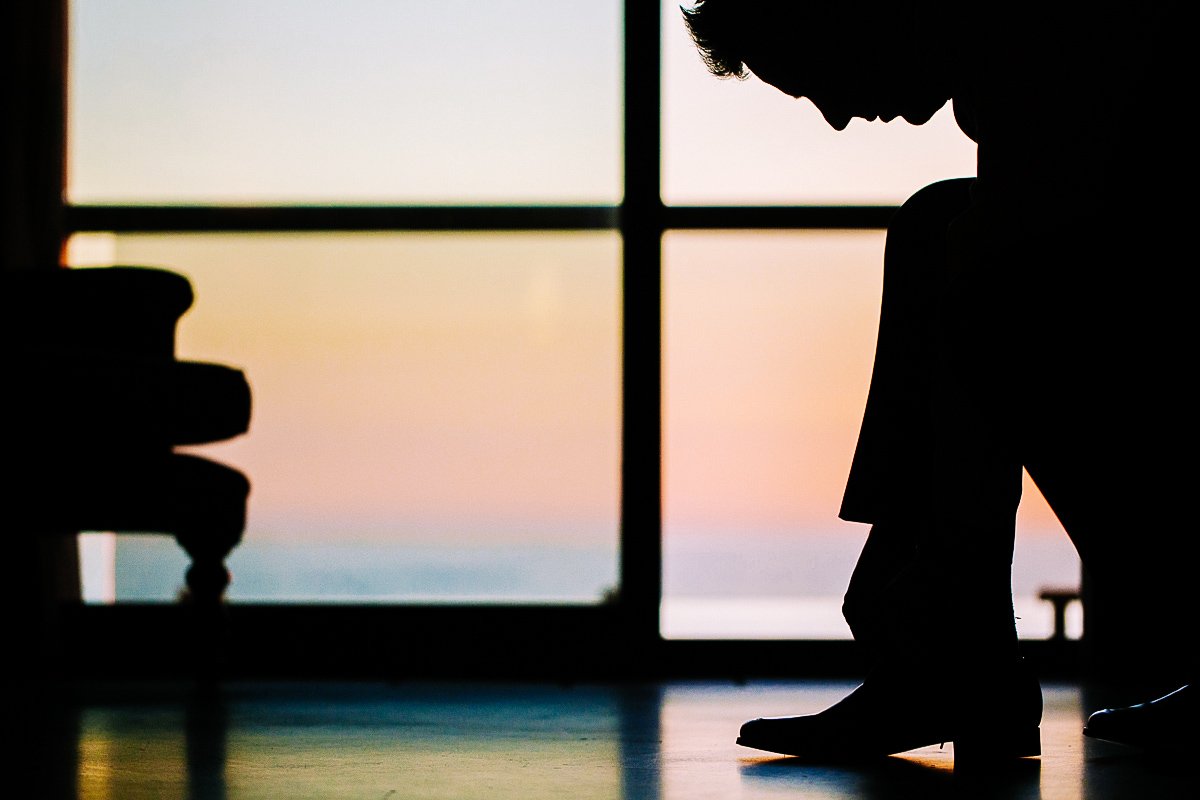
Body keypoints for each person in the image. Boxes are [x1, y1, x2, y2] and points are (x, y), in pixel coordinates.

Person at [682, 0, 1195, 759]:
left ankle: (947, 656)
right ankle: (952, 657)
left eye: (817, 77)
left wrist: (919, 570)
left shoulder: (1041, 40)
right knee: (942, 233)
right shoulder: (1008, 57)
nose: (831, 116)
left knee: (980, 265)